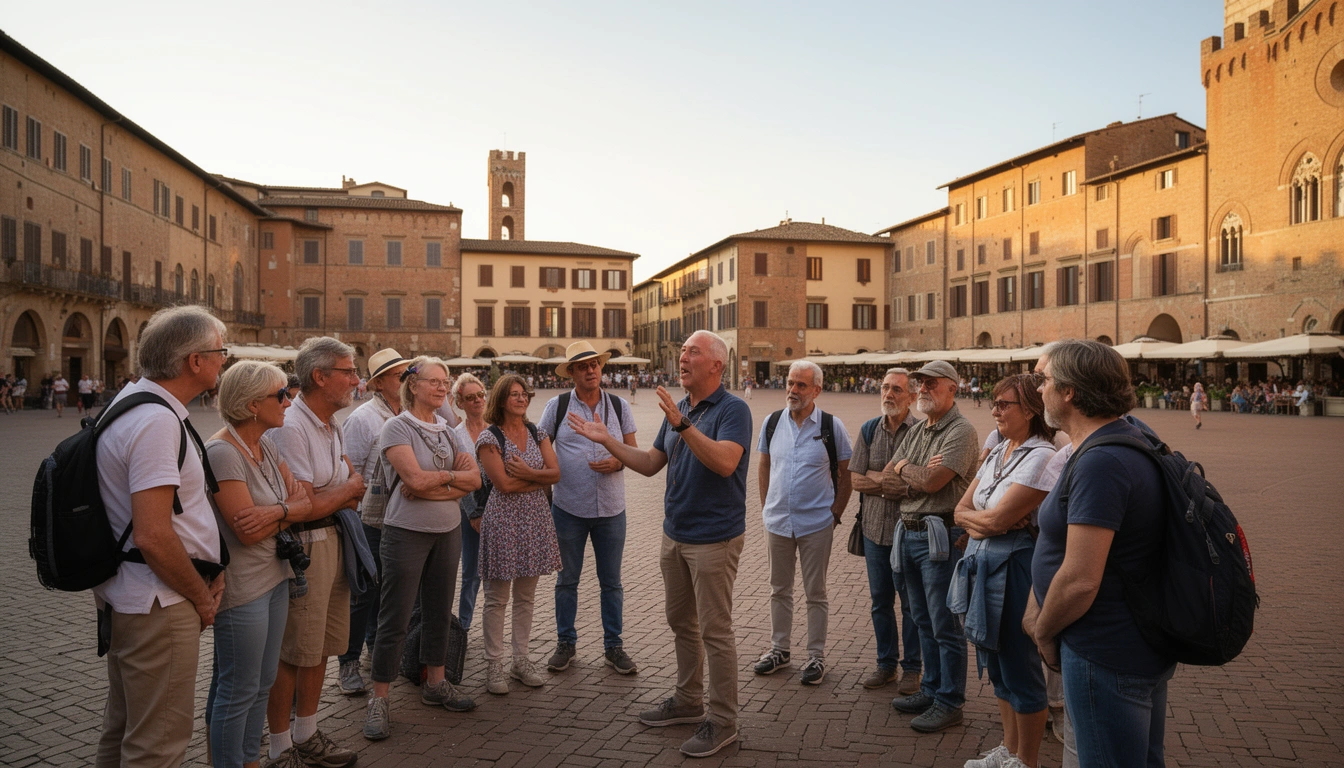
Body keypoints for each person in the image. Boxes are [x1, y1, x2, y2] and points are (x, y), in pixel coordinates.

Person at [567, 330, 752, 758]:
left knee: (715, 631)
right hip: (676, 534)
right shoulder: (682, 407)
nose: (683, 357)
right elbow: (651, 463)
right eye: (682, 350)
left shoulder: (733, 409)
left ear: (716, 366)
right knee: (681, 623)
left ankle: (723, 721)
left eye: (693, 352)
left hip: (715, 538)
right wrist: (607, 440)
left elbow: (725, 462)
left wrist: (683, 426)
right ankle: (688, 702)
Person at [92, 305, 229, 768]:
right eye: (220, 352)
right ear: (195, 361)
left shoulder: (132, 404)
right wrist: (201, 596)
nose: (223, 361)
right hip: (159, 602)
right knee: (158, 745)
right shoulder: (156, 422)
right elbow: (153, 534)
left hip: (130, 596)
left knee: (125, 730)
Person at [204, 361, 315, 768]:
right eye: (281, 394)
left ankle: (250, 760)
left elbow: (304, 503)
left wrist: (275, 511)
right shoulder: (222, 452)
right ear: (253, 404)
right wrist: (289, 509)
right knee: (238, 689)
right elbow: (246, 531)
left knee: (261, 682)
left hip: (274, 577)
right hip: (242, 586)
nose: (289, 400)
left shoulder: (264, 444)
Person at [363, 357, 479, 740]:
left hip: (447, 530)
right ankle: (379, 698)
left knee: (437, 612)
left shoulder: (448, 429)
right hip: (406, 531)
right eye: (434, 382)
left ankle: (436, 683)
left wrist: (438, 481)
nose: (442, 388)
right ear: (413, 385)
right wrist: (450, 479)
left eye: (445, 383)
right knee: (394, 618)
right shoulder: (397, 427)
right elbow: (411, 478)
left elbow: (474, 479)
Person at [266, 337, 367, 768]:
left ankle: (307, 734)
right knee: (295, 649)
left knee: (322, 645)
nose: (356, 380)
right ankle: (280, 747)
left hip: (334, 539)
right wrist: (344, 491)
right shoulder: (293, 425)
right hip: (308, 545)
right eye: (348, 371)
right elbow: (306, 503)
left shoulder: (331, 422)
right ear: (320, 376)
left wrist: (340, 492)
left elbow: (349, 484)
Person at [949, 375, 1058, 768]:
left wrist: (984, 520)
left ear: (1029, 410)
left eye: (1003, 404)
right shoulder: (999, 451)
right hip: (982, 561)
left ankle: (1026, 760)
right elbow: (961, 511)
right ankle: (1008, 749)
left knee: (1018, 662)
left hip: (1014, 566)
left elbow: (997, 521)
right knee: (994, 661)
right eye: (994, 402)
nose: (994, 409)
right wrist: (985, 520)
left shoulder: (1041, 455)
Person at [888, 360, 979, 733]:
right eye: (920, 383)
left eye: (931, 383)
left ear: (953, 388)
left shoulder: (962, 431)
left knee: (945, 624)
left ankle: (950, 700)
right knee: (921, 618)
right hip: (908, 532)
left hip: (939, 534)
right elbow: (885, 475)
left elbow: (933, 482)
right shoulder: (921, 429)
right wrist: (910, 470)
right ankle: (931, 688)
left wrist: (905, 470)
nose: (922, 388)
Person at [538, 342, 640, 676]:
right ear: (572, 372)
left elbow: (634, 452)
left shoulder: (619, 406)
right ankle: (565, 642)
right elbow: (542, 448)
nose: (591, 370)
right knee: (567, 581)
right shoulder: (558, 406)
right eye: (583, 366)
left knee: (611, 582)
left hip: (611, 509)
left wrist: (618, 461)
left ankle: (614, 646)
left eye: (595, 364)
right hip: (568, 508)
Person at [753, 361, 852, 685]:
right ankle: (779, 650)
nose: (793, 390)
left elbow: (845, 474)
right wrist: (767, 506)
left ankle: (815, 656)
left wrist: (834, 514)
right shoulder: (771, 422)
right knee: (778, 589)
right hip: (778, 521)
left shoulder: (830, 426)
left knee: (815, 592)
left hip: (816, 523)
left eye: (801, 385)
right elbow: (764, 466)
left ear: (816, 390)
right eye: (790, 383)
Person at [475, 374, 562, 695]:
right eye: (514, 394)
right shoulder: (489, 438)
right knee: (497, 598)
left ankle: (520, 660)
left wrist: (528, 474)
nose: (522, 398)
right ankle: (494, 664)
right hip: (503, 521)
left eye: (524, 393)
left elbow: (557, 473)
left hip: (535, 519)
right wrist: (539, 479)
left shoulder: (537, 432)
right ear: (501, 399)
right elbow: (503, 485)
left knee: (526, 597)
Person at [336, 348, 411, 696]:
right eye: (400, 375)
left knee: (386, 593)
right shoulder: (364, 419)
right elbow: (347, 470)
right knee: (363, 594)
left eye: (408, 373)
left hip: (399, 520)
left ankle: (372, 650)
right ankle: (348, 663)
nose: (406, 379)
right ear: (379, 383)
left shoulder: (409, 413)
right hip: (368, 518)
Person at [849, 368, 924, 694]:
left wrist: (876, 478)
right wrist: (889, 482)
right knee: (880, 601)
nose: (888, 394)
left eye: (896, 389)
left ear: (911, 396)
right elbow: (854, 480)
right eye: (885, 388)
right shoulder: (868, 430)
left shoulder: (922, 432)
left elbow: (921, 484)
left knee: (911, 604)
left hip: (908, 533)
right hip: (874, 532)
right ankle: (886, 664)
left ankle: (912, 669)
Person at [450, 372, 489, 630]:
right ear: (459, 403)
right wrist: (474, 513)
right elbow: (457, 479)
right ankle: (464, 625)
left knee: (498, 573)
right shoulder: (454, 435)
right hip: (467, 511)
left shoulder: (497, 431)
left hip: (497, 508)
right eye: (470, 397)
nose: (477, 401)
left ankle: (492, 627)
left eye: (480, 396)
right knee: (471, 572)